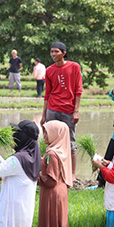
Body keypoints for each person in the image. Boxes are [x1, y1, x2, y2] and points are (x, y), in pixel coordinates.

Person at [40, 42, 82, 180]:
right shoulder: (49, 70)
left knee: (70, 141)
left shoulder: (74, 67)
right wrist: (44, 114)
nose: (53, 54)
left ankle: (73, 174)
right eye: (51, 51)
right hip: (52, 109)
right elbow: (47, 93)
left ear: (63, 53)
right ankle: (52, 172)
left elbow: (78, 90)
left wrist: (76, 111)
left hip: (68, 110)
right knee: (50, 141)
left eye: (56, 51)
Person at [38, 120, 73, 227]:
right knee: (58, 220)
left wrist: (35, 178)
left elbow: (51, 179)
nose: (45, 136)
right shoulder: (60, 152)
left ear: (56, 134)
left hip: (52, 193)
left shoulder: (52, 154)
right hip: (60, 191)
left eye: (47, 132)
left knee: (51, 220)